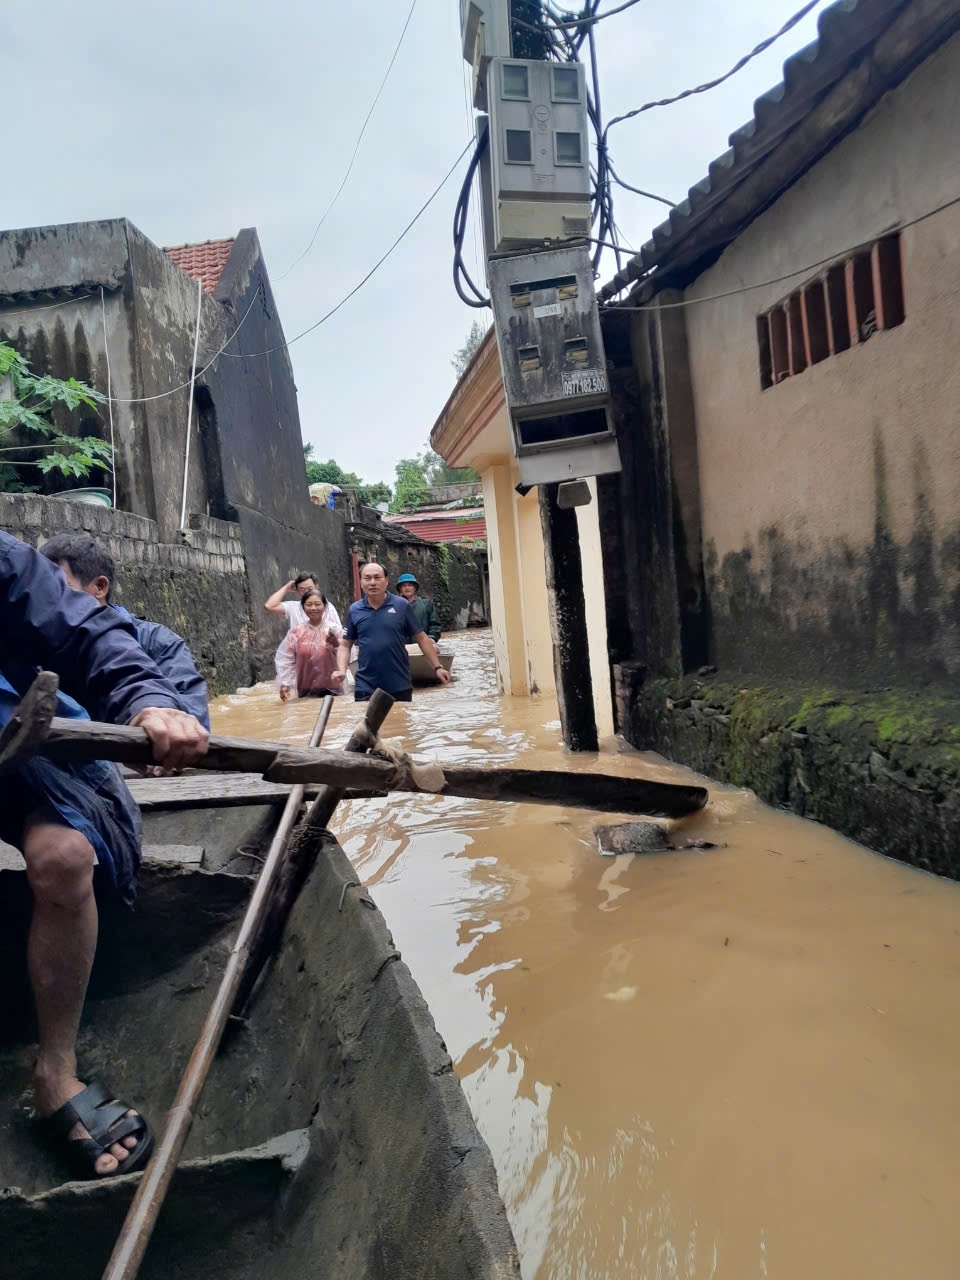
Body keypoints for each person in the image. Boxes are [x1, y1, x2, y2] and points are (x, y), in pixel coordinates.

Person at [0, 530, 209, 1180]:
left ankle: (54, 1072)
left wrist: (149, 702)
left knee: (66, 855)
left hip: (14, 741)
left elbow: (83, 632)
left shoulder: (10, 568)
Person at [40, 533, 210, 729]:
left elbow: (190, 724)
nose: (47, 601)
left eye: (60, 589)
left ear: (100, 587)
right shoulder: (35, 644)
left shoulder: (160, 644)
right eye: (42, 591)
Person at [332, 561, 451, 702]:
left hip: (399, 683)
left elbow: (422, 638)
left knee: (399, 716)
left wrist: (438, 667)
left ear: (386, 581)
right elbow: (345, 645)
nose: (372, 582)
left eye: (377, 577)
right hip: (365, 684)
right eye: (367, 578)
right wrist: (341, 670)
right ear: (361, 582)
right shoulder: (355, 610)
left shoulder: (401, 605)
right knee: (366, 716)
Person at [275, 589, 343, 701]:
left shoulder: (335, 630)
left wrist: (336, 644)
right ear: (303, 607)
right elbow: (285, 660)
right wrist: (285, 683)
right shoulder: (295, 633)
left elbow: (348, 655)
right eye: (309, 604)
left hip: (333, 686)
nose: (313, 608)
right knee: (306, 710)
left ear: (325, 607)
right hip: (304, 687)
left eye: (317, 604)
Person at [264, 572, 341, 633]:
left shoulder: (327, 606)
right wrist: (286, 588)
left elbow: (338, 631)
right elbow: (269, 606)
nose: (306, 592)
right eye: (302, 589)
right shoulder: (293, 607)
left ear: (316, 587)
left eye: (310, 588)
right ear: (297, 591)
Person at [395, 573, 441, 642]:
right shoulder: (393, 606)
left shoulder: (426, 604)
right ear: (400, 589)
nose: (407, 588)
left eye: (410, 585)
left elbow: (435, 625)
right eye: (404, 586)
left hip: (422, 644)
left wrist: (432, 638)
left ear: (415, 588)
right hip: (401, 645)